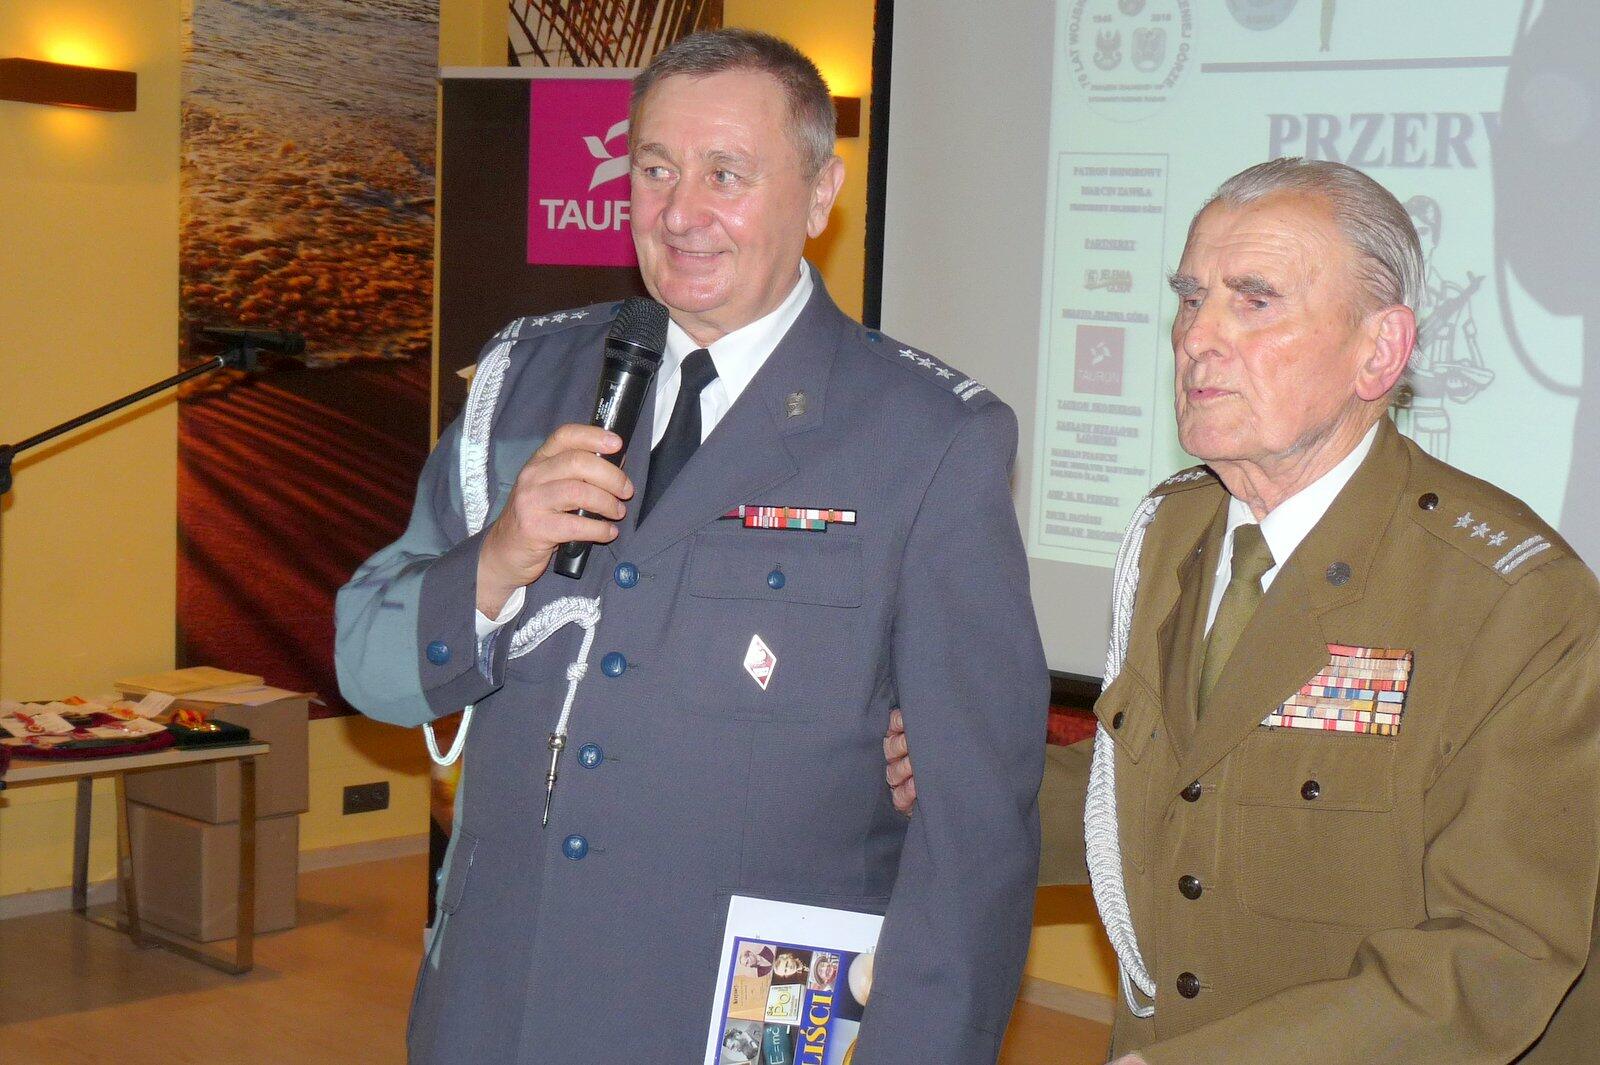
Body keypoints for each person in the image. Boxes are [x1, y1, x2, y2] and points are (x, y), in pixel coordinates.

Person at [334, 28, 1047, 1065]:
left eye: (727, 174)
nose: (680, 212)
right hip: (500, 1000)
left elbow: (973, 827)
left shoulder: (926, 435)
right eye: (655, 169)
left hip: (755, 1017)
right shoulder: (525, 378)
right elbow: (366, 665)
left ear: (820, 195)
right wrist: (495, 559)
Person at [886, 158, 1600, 1063]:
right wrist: (957, 775)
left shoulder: (1512, 600)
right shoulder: (1173, 530)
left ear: (1380, 350)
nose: (1198, 336)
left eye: (1254, 301)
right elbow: (1163, 790)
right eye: (1191, 299)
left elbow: (1494, 955)